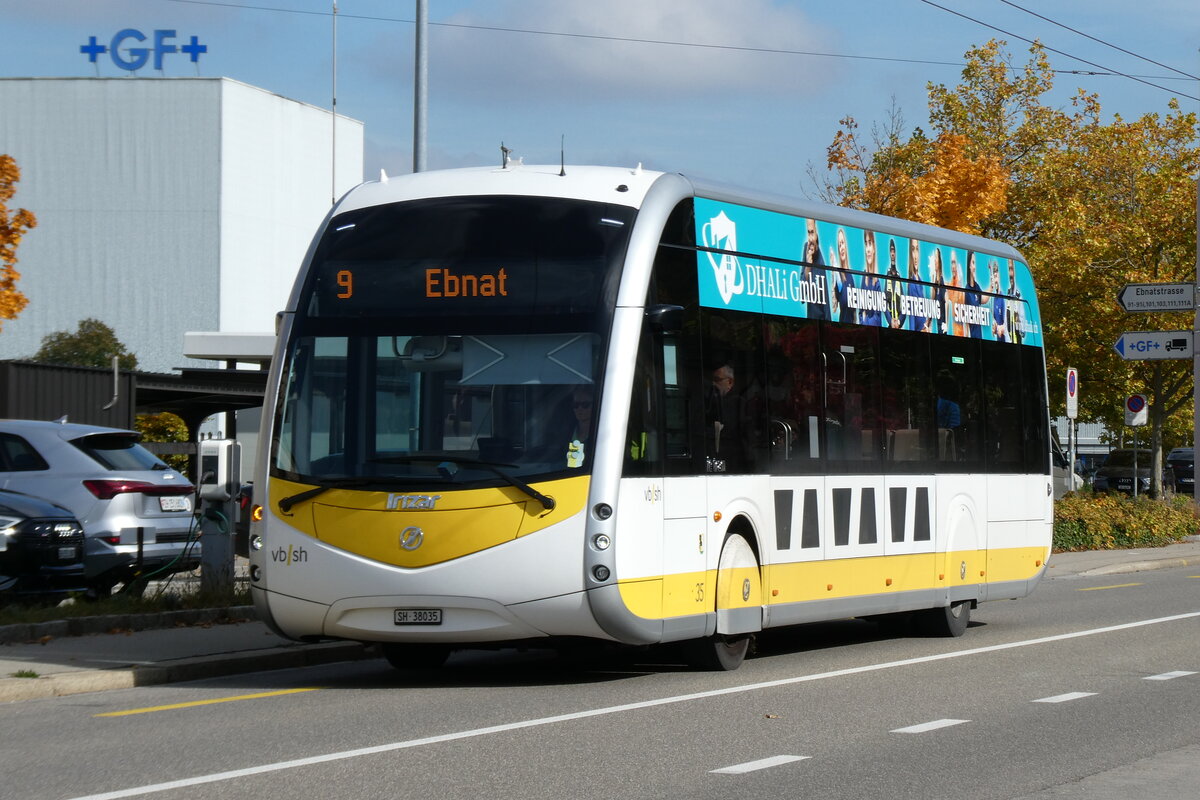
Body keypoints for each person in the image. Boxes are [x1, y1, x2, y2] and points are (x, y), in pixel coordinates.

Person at [706, 363, 749, 472]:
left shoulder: (736, 402)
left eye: (717, 380)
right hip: (721, 455)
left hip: (731, 457)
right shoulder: (715, 401)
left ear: (730, 382)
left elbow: (731, 429)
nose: (713, 384)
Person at [565, 385, 594, 468]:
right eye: (576, 405)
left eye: (585, 405)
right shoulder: (566, 432)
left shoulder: (599, 433)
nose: (579, 409)